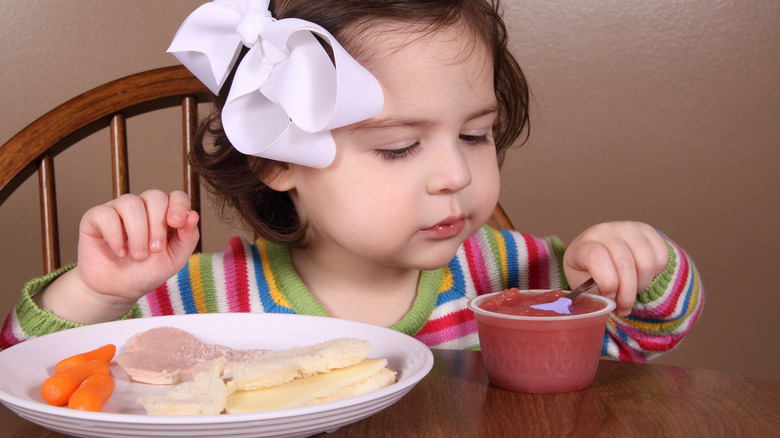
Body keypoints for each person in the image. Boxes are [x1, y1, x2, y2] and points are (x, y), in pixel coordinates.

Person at [2, 0, 702, 362]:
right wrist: (97, 291)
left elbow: (647, 334)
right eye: (399, 147)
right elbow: (31, 377)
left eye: (473, 134)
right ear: (276, 159)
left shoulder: (511, 280)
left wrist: (637, 262)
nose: (454, 175)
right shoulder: (203, 300)